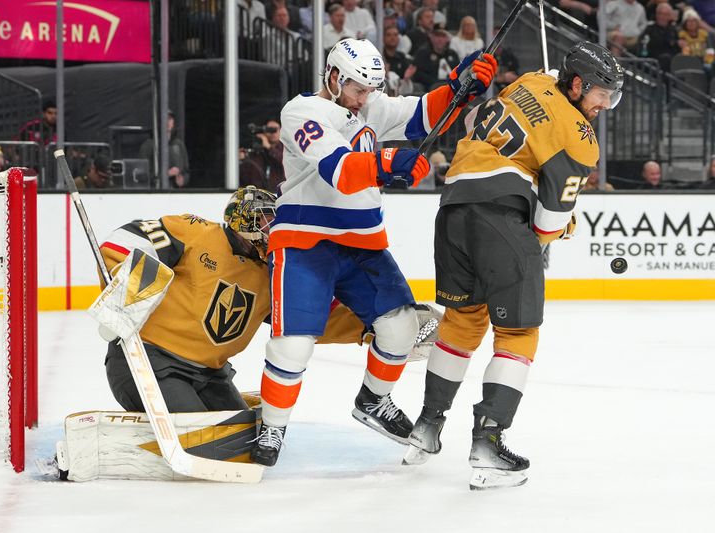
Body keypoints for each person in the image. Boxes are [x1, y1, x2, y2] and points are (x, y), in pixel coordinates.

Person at [249, 38, 497, 467]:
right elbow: (340, 171)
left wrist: (460, 87)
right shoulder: (302, 112)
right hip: (307, 241)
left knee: (401, 328)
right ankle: (272, 425)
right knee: (292, 345)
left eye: (370, 90)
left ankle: (373, 401)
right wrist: (388, 163)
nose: (366, 98)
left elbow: (421, 115)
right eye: (358, 89)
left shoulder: (370, 106)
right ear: (333, 78)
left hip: (362, 243)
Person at [404, 42, 623, 490]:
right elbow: (546, 225)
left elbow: (472, 120)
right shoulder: (580, 139)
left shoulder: (530, 81)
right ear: (578, 84)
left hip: (452, 209)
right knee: (519, 332)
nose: (605, 105)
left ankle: (425, 429)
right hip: (500, 217)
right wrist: (558, 230)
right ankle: (488, 441)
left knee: (461, 324)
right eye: (603, 93)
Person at [98, 186, 441, 414]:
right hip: (147, 362)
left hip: (211, 374)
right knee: (201, 436)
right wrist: (125, 287)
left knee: (240, 437)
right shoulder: (196, 232)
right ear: (241, 217)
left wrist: (383, 327)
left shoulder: (274, 271)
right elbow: (126, 239)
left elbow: (316, 317)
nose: (271, 227)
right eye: (264, 218)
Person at [139, 110, 190, 188]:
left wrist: (182, 179)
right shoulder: (148, 145)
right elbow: (141, 175)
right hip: (155, 192)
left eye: (170, 119)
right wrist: (165, 174)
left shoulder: (179, 145)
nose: (167, 122)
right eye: (164, 118)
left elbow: (186, 171)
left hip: (175, 193)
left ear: (173, 123)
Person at [239, 118, 286, 191]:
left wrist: (269, 147)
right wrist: (243, 160)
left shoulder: (285, 148)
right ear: (264, 131)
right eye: (269, 130)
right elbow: (247, 175)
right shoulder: (257, 150)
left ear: (281, 131)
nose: (272, 133)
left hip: (277, 193)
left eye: (275, 129)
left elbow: (283, 161)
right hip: (258, 193)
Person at [639, 3, 680, 69]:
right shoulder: (649, 29)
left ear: (669, 16)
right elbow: (643, 49)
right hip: (653, 63)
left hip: (672, 62)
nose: (662, 17)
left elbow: (676, 47)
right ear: (656, 15)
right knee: (666, 58)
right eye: (660, 14)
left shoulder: (673, 30)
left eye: (665, 14)